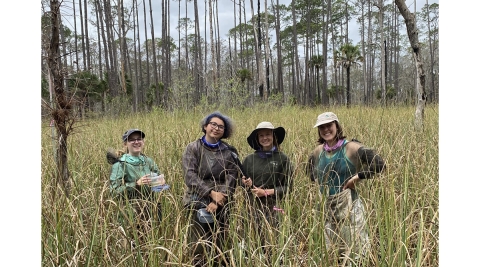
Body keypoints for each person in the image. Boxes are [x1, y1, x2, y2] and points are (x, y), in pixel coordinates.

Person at [307, 112, 386, 266]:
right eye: (322, 127)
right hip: (327, 210)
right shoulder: (318, 152)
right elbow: (310, 173)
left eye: (329, 125)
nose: (326, 130)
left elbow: (379, 164)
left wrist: (356, 178)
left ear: (337, 125)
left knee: (356, 253)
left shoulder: (351, 148)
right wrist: (319, 185)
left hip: (350, 208)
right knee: (332, 253)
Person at [181, 111, 240, 267]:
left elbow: (232, 177)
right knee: (199, 245)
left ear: (225, 131)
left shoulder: (229, 151)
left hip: (223, 202)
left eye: (221, 126)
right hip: (196, 200)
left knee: (220, 244)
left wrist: (220, 198)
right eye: (213, 124)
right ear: (205, 126)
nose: (217, 128)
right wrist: (210, 193)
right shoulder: (193, 148)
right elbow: (190, 176)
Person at [241, 121, 293, 262]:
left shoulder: (283, 159)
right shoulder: (249, 160)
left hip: (274, 209)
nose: (265, 138)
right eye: (261, 135)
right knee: (253, 244)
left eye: (268, 134)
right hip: (252, 209)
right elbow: (242, 184)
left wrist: (266, 192)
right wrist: (245, 183)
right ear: (257, 139)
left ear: (273, 136)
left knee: (273, 245)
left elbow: (289, 188)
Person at [108, 129, 165, 248]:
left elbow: (158, 182)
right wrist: (136, 184)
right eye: (132, 140)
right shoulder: (120, 164)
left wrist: (160, 182)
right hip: (130, 215)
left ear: (143, 142)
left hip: (151, 212)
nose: (136, 142)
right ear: (125, 144)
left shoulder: (148, 161)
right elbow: (114, 191)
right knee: (133, 249)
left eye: (139, 139)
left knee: (151, 247)